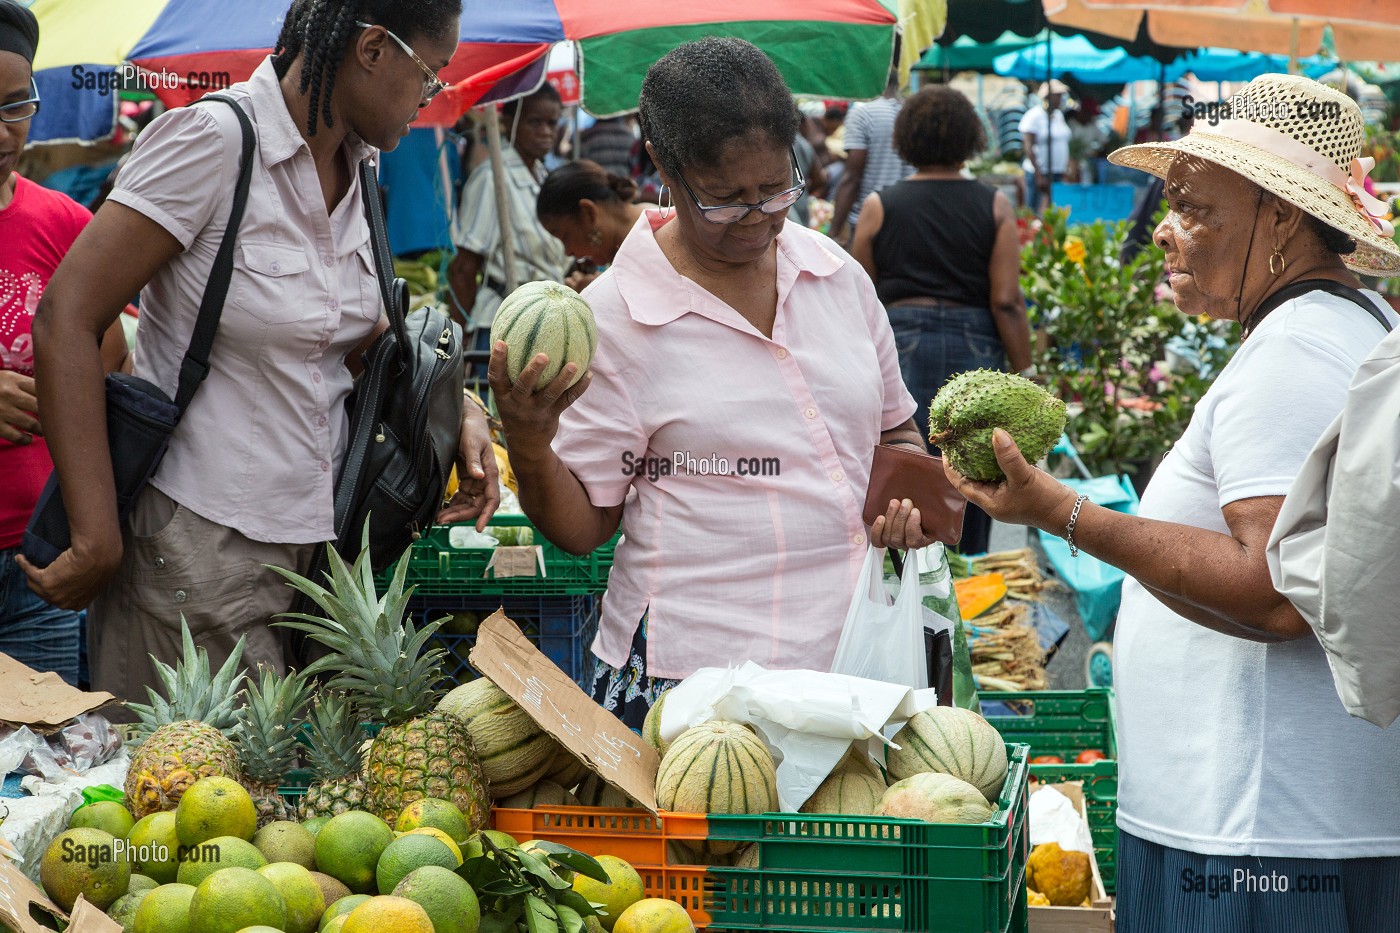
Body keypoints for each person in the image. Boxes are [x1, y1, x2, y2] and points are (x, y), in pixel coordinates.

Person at [945, 74, 1400, 932]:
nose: (1164, 229)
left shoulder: (1297, 349)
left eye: (1195, 206)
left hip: (1257, 835)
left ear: (1282, 217)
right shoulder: (1336, 325)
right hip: (1273, 823)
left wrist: (1061, 512)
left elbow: (1272, 594)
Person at [20, 0, 499, 708]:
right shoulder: (213, 143)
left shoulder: (361, 168)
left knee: (276, 806)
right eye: (430, 76)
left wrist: (457, 404)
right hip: (193, 546)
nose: (433, 99)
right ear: (372, 49)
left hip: (317, 548)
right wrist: (96, 535)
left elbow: (357, 338)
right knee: (191, 799)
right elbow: (67, 316)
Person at [490, 37, 931, 728]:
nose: (758, 218)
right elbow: (582, 527)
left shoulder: (836, 275)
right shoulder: (612, 319)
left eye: (776, 189)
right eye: (725, 199)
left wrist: (906, 496)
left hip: (853, 662)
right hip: (693, 686)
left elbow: (894, 428)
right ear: (664, 167)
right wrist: (528, 439)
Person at [0, 0, 129, 686]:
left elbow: (112, 358)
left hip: (40, 563)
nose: (0, 131)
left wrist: (62, 392)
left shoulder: (66, 223)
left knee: (40, 772)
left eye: (15, 106)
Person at [851, 86, 1031, 556]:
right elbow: (1007, 300)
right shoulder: (993, 205)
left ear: (905, 139)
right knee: (972, 471)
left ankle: (903, 578)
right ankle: (967, 571)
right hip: (976, 346)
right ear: (970, 139)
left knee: (904, 464)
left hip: (900, 341)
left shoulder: (878, 206)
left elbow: (858, 299)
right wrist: (1026, 370)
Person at [446, 83, 568, 336]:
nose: (545, 132)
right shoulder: (492, 179)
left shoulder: (544, 177)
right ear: (508, 122)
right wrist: (458, 339)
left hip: (546, 323)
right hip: (503, 325)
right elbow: (464, 268)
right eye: (535, 122)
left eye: (552, 123)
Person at [535, 159, 645, 290]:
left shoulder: (653, 239)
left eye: (565, 237)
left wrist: (599, 294)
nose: (568, 252)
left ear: (588, 213)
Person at [831, 73, 911, 245]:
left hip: (870, 220)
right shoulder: (914, 112)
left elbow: (852, 177)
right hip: (911, 219)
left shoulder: (862, 114)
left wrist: (834, 231)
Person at [1019, 79, 1070, 211]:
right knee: (1034, 208)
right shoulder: (1034, 116)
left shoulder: (1058, 115)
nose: (1060, 99)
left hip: (1057, 171)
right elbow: (1028, 147)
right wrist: (1039, 175)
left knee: (1054, 208)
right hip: (1040, 172)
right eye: (1057, 96)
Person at [578, 115, 635, 180]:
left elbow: (580, 163)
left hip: (598, 183)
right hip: (622, 184)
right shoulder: (629, 135)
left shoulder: (587, 135)